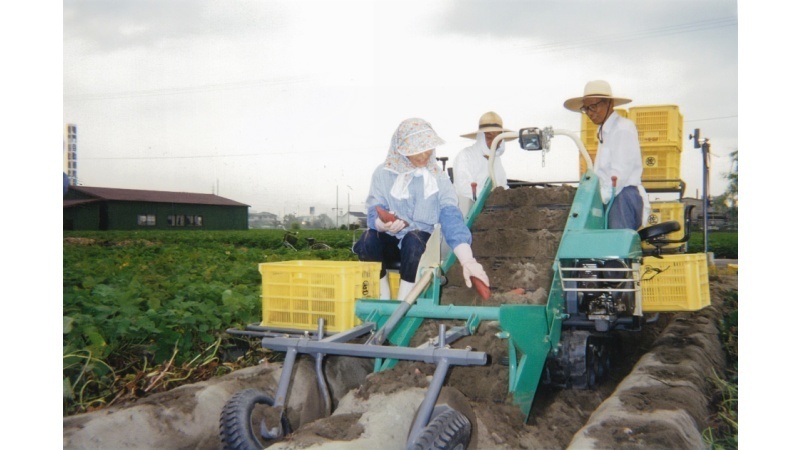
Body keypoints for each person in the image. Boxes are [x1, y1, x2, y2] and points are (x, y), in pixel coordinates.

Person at [353, 118, 490, 300]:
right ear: (401, 150)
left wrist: (467, 259)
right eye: (418, 150)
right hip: (392, 242)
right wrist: (382, 224)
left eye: (428, 148)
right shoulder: (383, 174)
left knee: (413, 239)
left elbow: (450, 216)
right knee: (368, 239)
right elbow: (374, 209)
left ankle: (405, 300)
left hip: (421, 245)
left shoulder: (437, 178)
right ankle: (382, 295)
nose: (425, 155)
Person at [563, 80, 650, 230]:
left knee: (616, 248)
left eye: (594, 106)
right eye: (586, 109)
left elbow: (619, 175)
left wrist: (595, 201)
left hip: (622, 196)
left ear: (608, 103)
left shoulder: (622, 129)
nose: (590, 113)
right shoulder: (605, 132)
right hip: (611, 195)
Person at [453, 111, 516, 216]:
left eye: (498, 138)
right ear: (481, 137)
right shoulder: (465, 156)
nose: (494, 143)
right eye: (489, 137)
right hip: (467, 214)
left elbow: (502, 185)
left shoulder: (496, 160)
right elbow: (463, 189)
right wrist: (494, 199)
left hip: (495, 212)